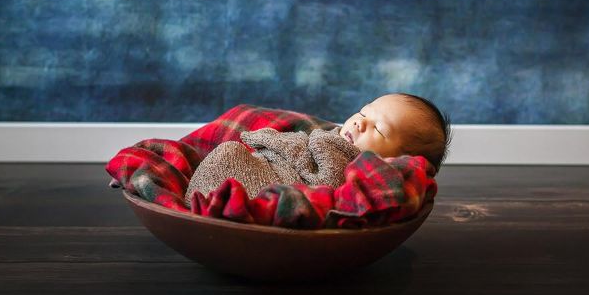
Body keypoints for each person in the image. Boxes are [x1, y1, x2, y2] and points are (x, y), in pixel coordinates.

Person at [184, 93, 451, 207]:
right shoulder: (332, 136)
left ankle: (212, 203)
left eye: (379, 129)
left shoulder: (353, 167)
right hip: (267, 166)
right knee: (228, 150)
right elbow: (303, 140)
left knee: (229, 153)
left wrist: (274, 141)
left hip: (274, 185)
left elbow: (325, 181)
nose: (359, 122)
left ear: (394, 160)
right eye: (363, 112)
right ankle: (205, 199)